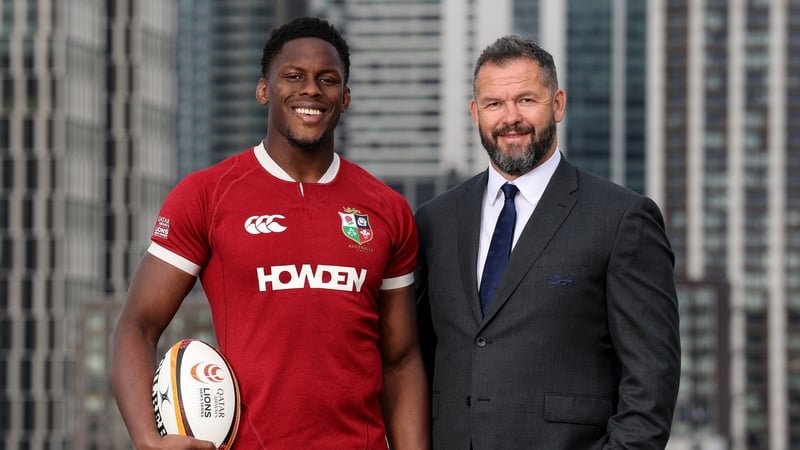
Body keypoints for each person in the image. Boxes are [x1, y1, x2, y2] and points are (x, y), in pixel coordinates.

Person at [112, 16, 429, 449]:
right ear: (264, 90)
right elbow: (137, 326)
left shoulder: (387, 208)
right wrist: (147, 440)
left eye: (327, 79)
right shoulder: (207, 195)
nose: (311, 90)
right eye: (293, 76)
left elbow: (400, 360)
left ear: (345, 98)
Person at [415, 35, 680, 449]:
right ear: (475, 113)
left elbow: (652, 377)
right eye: (494, 104)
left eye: (526, 100)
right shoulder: (435, 220)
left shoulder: (622, 218)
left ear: (557, 104)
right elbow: (412, 356)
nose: (511, 118)